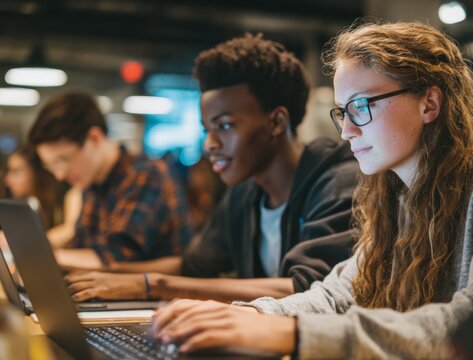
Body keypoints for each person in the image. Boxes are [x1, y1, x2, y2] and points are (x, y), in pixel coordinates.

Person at [150, 22, 473, 358]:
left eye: (360, 106)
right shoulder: (398, 195)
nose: (347, 131)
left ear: (429, 103)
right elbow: (339, 294)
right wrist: (254, 315)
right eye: (343, 112)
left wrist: (294, 333)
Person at [64, 34, 358, 303]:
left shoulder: (338, 183)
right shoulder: (245, 192)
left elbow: (307, 288)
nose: (210, 145)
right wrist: (103, 275)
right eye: (207, 130)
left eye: (225, 126)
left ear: (276, 122)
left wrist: (151, 285)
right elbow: (193, 265)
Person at [28, 92, 190, 270]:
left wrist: (40, 257)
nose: (59, 175)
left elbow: (116, 258)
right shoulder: (92, 182)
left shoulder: (144, 174)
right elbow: (82, 247)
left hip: (159, 296)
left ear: (94, 138)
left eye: (63, 160)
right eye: (50, 166)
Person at [4, 145, 80, 248]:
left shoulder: (72, 194)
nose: (8, 180)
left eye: (16, 171)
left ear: (37, 172)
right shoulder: (24, 204)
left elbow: (70, 231)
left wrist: (19, 242)